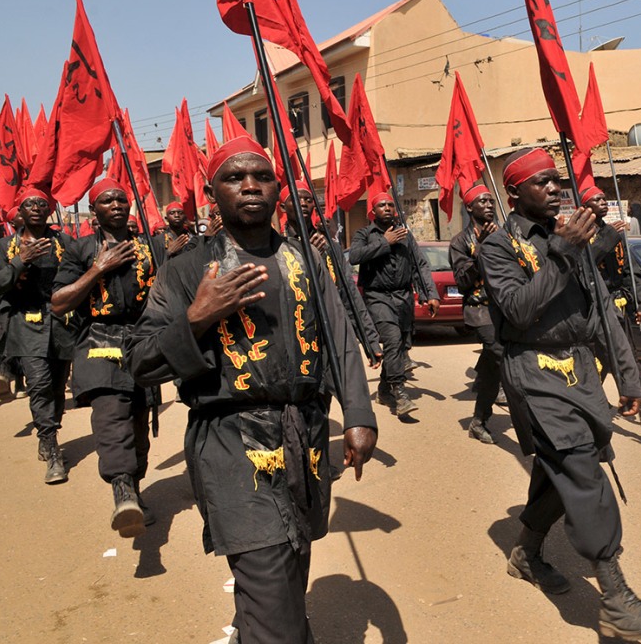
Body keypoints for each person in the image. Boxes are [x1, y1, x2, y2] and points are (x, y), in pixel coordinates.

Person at [126, 138, 377, 643]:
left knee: (290, 564)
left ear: (277, 189)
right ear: (212, 193)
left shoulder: (304, 258)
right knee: (268, 575)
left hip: (301, 436)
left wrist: (358, 414)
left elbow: (338, 336)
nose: (249, 186)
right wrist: (196, 318)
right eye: (234, 178)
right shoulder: (185, 270)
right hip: (230, 443)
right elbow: (140, 360)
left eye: (261, 176)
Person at [478, 148, 641, 641]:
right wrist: (564, 253)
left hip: (582, 372)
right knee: (581, 469)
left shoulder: (574, 237)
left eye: (556, 181)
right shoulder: (498, 246)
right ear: (514, 193)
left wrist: (631, 380)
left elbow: (603, 313)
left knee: (557, 468)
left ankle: (525, 551)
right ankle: (616, 595)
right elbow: (519, 310)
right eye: (540, 182)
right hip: (533, 371)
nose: (553, 189)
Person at [51, 178, 166, 537]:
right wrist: (98, 268)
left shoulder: (150, 246)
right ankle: (122, 489)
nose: (116, 204)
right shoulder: (81, 250)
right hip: (99, 342)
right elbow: (58, 303)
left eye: (121, 199)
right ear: (95, 211)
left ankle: (134, 487)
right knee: (110, 417)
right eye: (106, 200)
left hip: (143, 342)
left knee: (138, 426)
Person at [0, 188, 77, 483]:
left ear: (49, 211)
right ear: (20, 210)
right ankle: (51, 445)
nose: (35, 207)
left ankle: (49, 429)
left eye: (41, 204)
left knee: (57, 388)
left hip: (60, 324)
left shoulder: (65, 243)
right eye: (29, 203)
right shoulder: (5, 246)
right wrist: (19, 261)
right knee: (40, 383)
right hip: (24, 323)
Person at [581, 184, 641, 426]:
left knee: (619, 355)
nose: (603, 202)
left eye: (604, 199)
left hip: (617, 306)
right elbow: (583, 266)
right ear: (584, 207)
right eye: (596, 199)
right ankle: (634, 402)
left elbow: (633, 271)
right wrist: (605, 239)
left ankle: (597, 403)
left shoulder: (615, 233)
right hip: (593, 307)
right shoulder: (581, 236)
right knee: (606, 358)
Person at [349, 192, 439, 419]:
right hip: (378, 297)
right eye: (382, 205)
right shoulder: (364, 234)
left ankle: (383, 389)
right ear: (373, 211)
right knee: (391, 340)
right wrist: (384, 242)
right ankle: (400, 394)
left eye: (390, 204)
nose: (387, 208)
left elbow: (420, 265)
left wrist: (431, 294)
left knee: (399, 347)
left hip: (404, 297)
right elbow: (355, 256)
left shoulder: (405, 235)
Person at [279, 180, 383, 367]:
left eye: (308, 200)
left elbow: (349, 295)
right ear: (282, 207)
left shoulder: (329, 247)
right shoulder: (276, 247)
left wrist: (369, 340)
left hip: (329, 334)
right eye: (295, 199)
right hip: (295, 341)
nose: (303, 203)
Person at [449, 183, 503, 444]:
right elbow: (462, 282)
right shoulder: (460, 242)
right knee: (501, 357)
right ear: (470, 207)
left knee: (495, 367)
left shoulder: (503, 235)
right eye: (483, 202)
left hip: (505, 308)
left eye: (491, 201)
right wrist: (481, 248)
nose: (489, 205)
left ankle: (478, 421)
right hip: (479, 309)